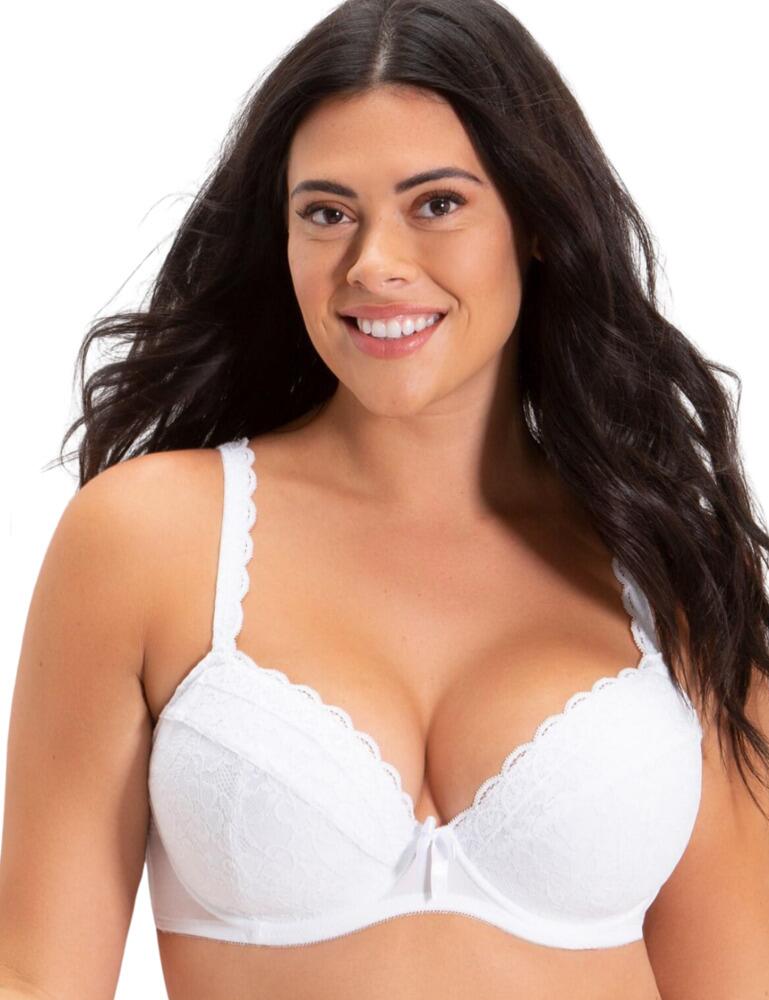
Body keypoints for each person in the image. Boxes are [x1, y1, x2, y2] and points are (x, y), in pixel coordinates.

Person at [2, 0, 769, 997]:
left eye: (436, 203)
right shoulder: (146, 538)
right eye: (326, 213)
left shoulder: (669, 562)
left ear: (536, 222)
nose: (373, 264)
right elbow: (35, 975)